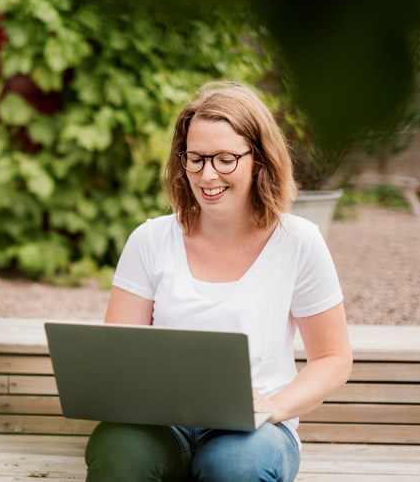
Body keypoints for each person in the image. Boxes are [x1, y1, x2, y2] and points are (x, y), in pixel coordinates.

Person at [85, 81, 353, 482]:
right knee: (116, 449)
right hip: (162, 426)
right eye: (195, 159)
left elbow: (333, 357)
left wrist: (275, 407)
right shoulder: (150, 240)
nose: (207, 175)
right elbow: (120, 354)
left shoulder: (298, 241)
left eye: (225, 159)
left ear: (259, 159)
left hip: (252, 432)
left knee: (235, 467)